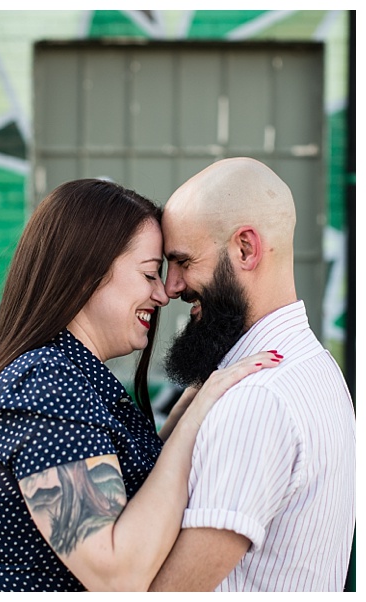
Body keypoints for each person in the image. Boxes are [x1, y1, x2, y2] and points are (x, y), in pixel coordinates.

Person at [0, 178, 280, 591]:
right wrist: (192, 423)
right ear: (84, 275)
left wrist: (189, 405)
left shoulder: (73, 379)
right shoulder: (45, 389)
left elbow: (130, 500)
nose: (163, 294)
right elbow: (116, 575)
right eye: (150, 273)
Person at [149, 157, 355, 591]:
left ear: (246, 248)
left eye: (183, 261)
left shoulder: (259, 399)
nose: (170, 287)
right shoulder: (316, 367)